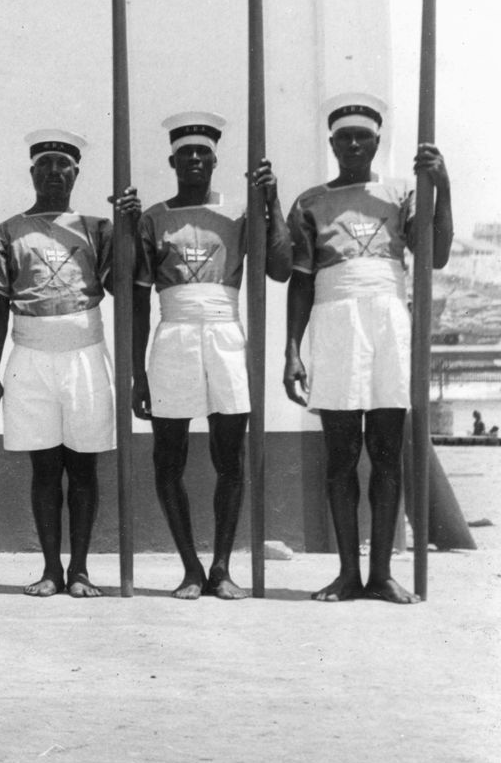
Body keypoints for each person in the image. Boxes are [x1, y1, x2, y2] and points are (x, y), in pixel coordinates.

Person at [282, 93, 452, 604]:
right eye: (344, 138)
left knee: (386, 452)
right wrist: (292, 351)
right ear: (332, 143)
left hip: (387, 319)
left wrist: (443, 186)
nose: (353, 145)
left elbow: (436, 255)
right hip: (335, 321)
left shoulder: (403, 192)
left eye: (363, 137)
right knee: (341, 456)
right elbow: (300, 282)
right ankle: (347, 574)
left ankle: (381, 574)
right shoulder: (310, 201)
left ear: (377, 142)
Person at [129, 112, 291, 600]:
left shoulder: (239, 214)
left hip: (224, 333)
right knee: (168, 457)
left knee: (230, 456)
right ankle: (190, 568)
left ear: (216, 160)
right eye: (186, 153)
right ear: (172, 161)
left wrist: (272, 200)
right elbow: (136, 299)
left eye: (203, 152)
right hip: (173, 335)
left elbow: (281, 268)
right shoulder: (153, 218)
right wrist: (138, 374)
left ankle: (221, 567)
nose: (195, 159)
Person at [0, 129, 131, 599]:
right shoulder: (8, 231)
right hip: (30, 356)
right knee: (44, 469)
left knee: (83, 468)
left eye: (63, 165)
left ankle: (80, 570)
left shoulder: (97, 228)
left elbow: (122, 286)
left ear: (75, 173)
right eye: (44, 164)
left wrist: (128, 229)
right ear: (32, 172)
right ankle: (50, 569)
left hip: (85, 354)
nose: (53, 173)